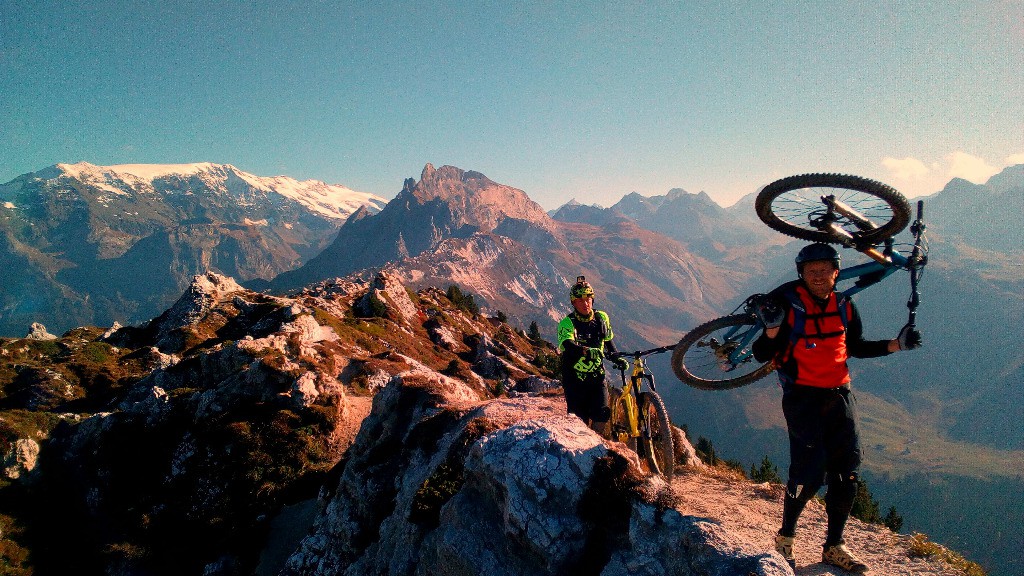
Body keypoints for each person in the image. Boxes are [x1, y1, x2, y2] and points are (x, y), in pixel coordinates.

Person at [751, 243, 922, 573]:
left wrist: (897, 345)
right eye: (811, 270)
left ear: (836, 272)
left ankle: (834, 546)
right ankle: (785, 540)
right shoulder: (788, 306)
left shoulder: (845, 305)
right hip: (803, 398)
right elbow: (762, 354)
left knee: (848, 471)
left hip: (840, 395)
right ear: (801, 274)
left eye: (825, 268)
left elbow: (855, 346)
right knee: (809, 471)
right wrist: (772, 329)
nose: (818, 275)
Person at [557, 276, 628, 436]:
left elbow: (609, 342)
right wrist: (586, 350)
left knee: (602, 415)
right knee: (578, 422)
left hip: (597, 378)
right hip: (575, 381)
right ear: (573, 303)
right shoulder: (567, 323)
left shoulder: (602, 318)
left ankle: (594, 447)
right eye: (580, 300)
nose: (585, 303)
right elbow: (568, 345)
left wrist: (616, 357)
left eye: (588, 299)